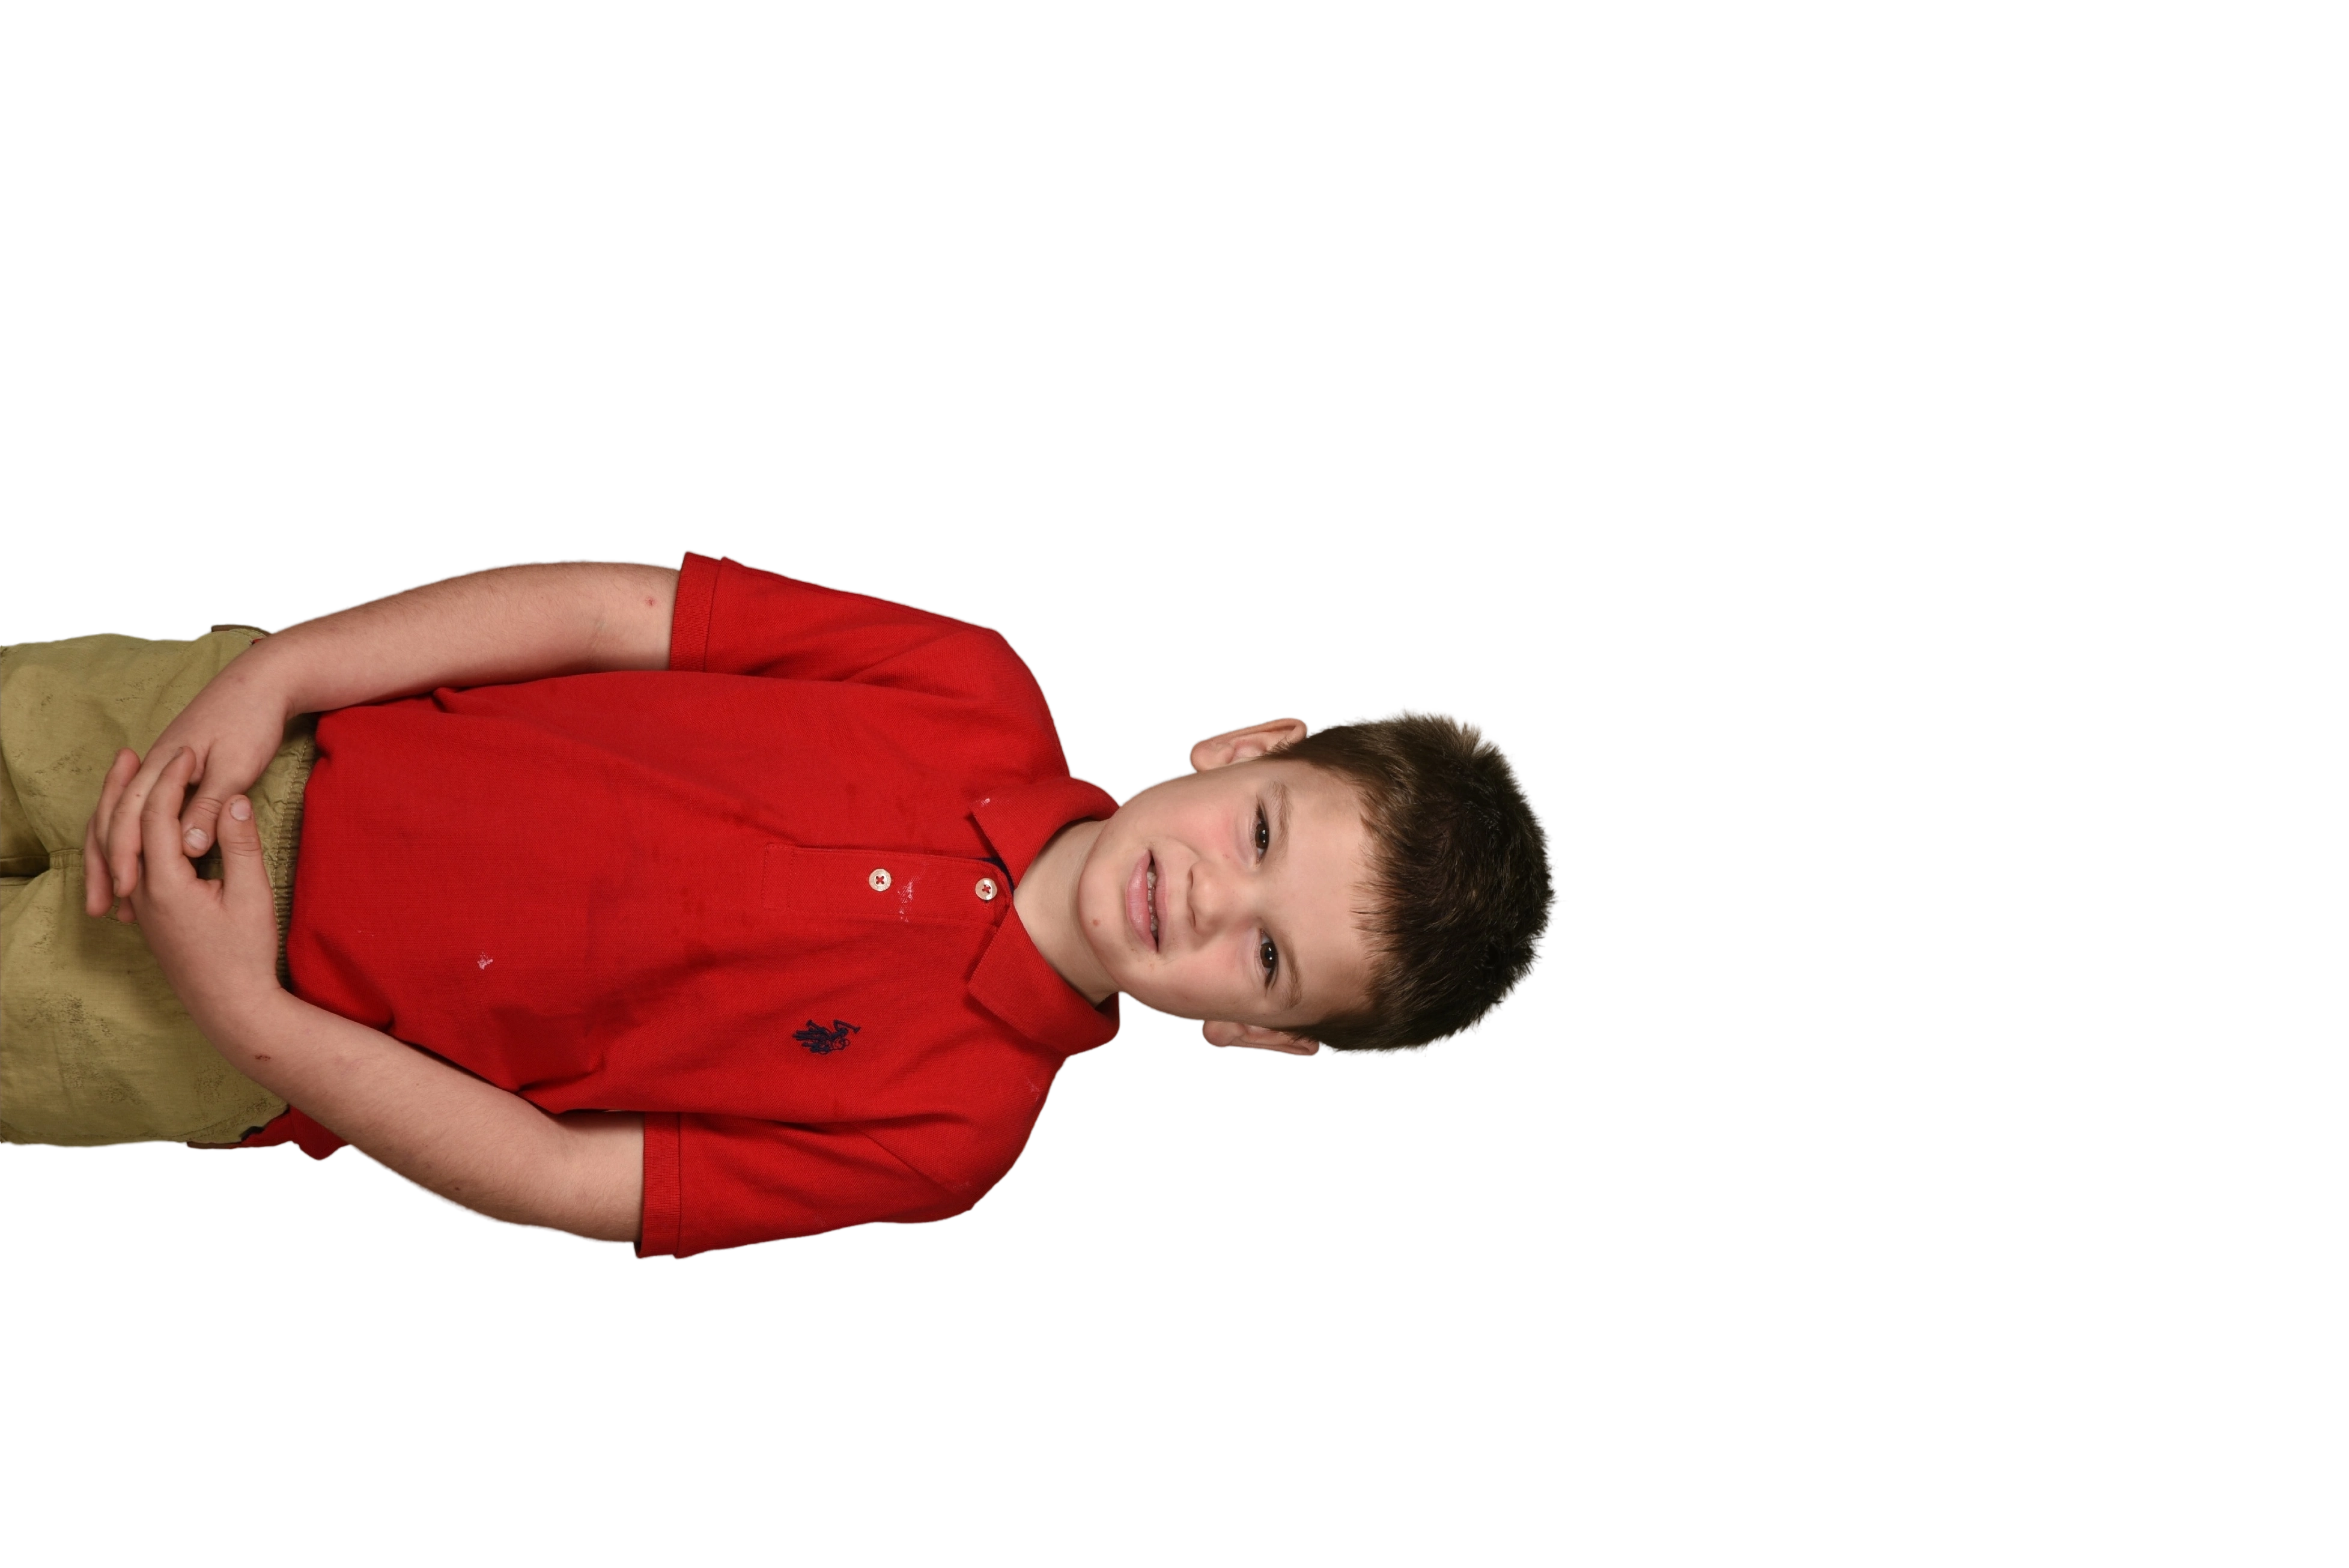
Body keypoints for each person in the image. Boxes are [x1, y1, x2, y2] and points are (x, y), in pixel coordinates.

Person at [2, 552, 1561, 1259]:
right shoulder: (969, 679)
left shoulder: (953, 1137)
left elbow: (560, 1178)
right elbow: (603, 609)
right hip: (248, 725)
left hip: (220, 1024)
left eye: (1270, 955)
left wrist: (249, 1018)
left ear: (1259, 1038)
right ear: (1246, 746)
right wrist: (277, 675)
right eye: (1262, 831)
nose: (1212, 895)